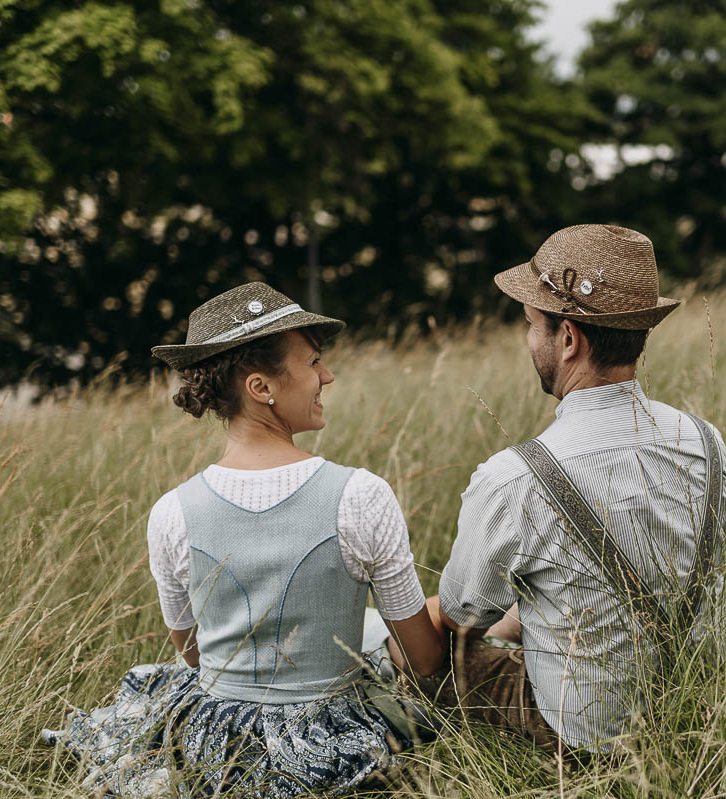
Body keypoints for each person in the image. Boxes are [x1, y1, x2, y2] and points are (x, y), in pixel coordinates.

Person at [43, 282, 445, 797]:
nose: (328, 375)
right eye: (313, 362)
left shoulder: (172, 513)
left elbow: (193, 656)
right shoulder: (360, 495)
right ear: (261, 387)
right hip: (333, 737)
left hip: (216, 745)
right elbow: (425, 660)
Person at [424, 224, 726, 757]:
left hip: (590, 739)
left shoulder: (515, 478)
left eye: (531, 324)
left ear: (568, 339)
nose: (528, 340)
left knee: (420, 653)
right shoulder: (706, 441)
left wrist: (394, 626)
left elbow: (458, 618)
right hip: (706, 714)